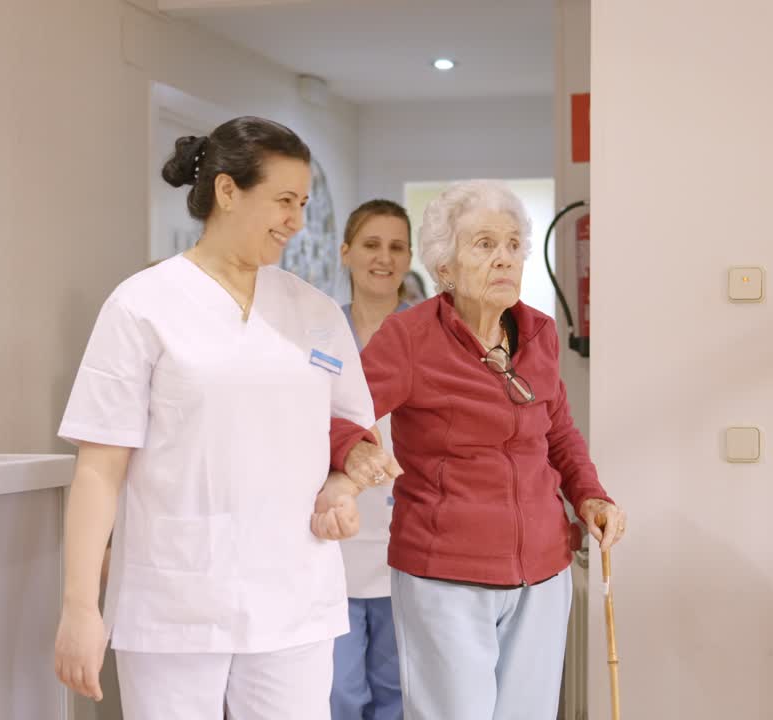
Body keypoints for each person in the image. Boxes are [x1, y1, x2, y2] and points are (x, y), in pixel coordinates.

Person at [52, 116, 400, 720]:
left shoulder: (314, 312)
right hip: (175, 598)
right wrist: (81, 607)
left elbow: (349, 437)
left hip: (294, 596)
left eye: (304, 202)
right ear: (228, 191)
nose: (297, 220)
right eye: (284, 201)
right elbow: (99, 469)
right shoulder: (142, 305)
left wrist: (342, 488)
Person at [330, 180, 627, 719]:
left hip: (543, 570)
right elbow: (338, 411)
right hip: (446, 573)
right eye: (484, 245)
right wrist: (352, 450)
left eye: (513, 245)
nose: (504, 259)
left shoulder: (538, 333)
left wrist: (590, 495)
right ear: (444, 266)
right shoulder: (410, 338)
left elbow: (557, 431)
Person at [330, 200, 413, 720]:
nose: (383, 258)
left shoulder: (430, 334)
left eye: (396, 247)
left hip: (407, 543)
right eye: (370, 244)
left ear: (409, 259)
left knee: (397, 692)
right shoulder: (318, 332)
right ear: (346, 253)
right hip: (334, 538)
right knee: (338, 691)